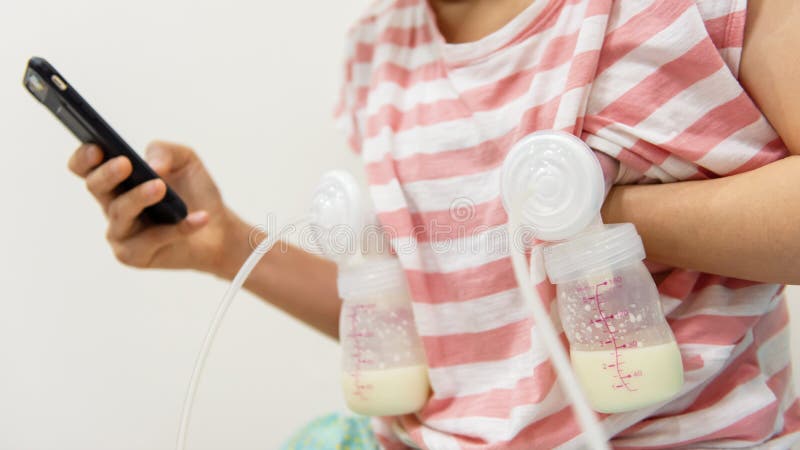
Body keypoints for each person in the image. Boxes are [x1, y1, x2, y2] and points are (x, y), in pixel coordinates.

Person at [66, 0, 800, 448]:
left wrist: (614, 216)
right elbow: (437, 315)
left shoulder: (682, 11)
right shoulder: (377, 53)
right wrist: (225, 244)